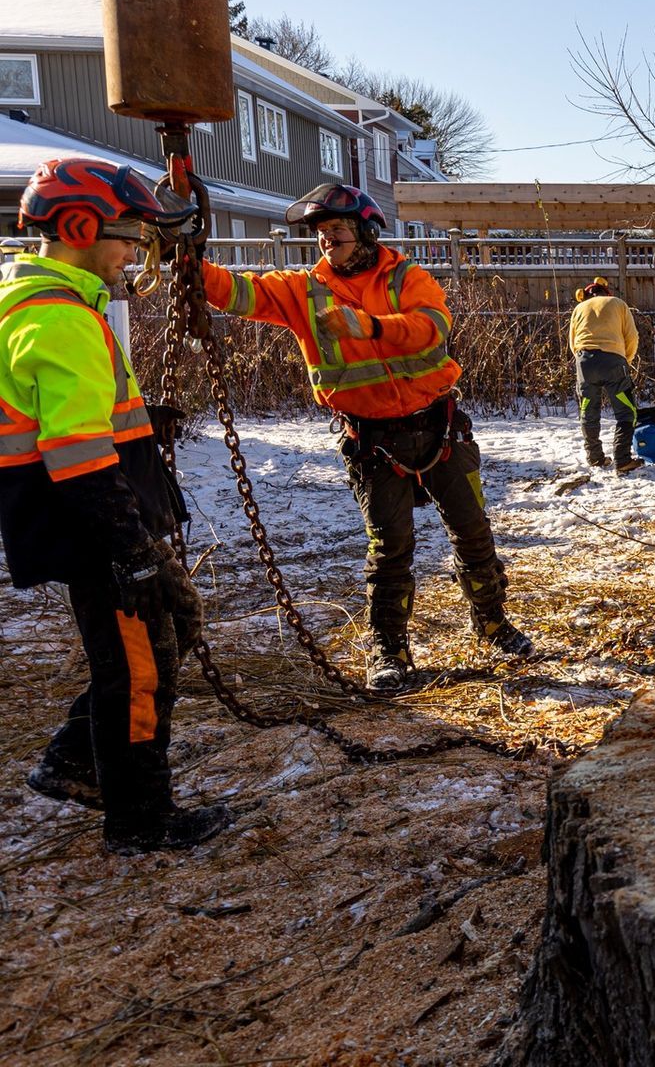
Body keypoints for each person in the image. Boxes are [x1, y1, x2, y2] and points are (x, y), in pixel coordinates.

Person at [196, 184, 532, 692]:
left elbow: (431, 328)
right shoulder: (303, 290)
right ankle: (390, 649)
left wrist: (370, 326)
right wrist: (185, 254)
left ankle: (492, 623)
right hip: (372, 441)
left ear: (367, 232)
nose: (327, 241)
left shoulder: (405, 277)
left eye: (338, 231)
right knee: (390, 547)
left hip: (439, 427)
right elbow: (236, 293)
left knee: (473, 531)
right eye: (322, 234)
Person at [0, 158, 230, 853]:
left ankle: (77, 759)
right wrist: (131, 550)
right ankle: (139, 818)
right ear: (77, 227)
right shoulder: (59, 318)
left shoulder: (56, 309)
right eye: (127, 235)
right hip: (96, 529)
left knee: (159, 641)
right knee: (136, 671)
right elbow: (77, 456)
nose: (135, 252)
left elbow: (78, 418)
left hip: (99, 521)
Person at [568, 276, 641, 473]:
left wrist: (583, 361)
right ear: (605, 292)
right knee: (626, 411)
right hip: (613, 361)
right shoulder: (618, 303)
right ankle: (622, 459)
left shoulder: (578, 309)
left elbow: (573, 342)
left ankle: (595, 458)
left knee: (588, 410)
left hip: (585, 362)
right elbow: (632, 337)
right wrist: (626, 359)